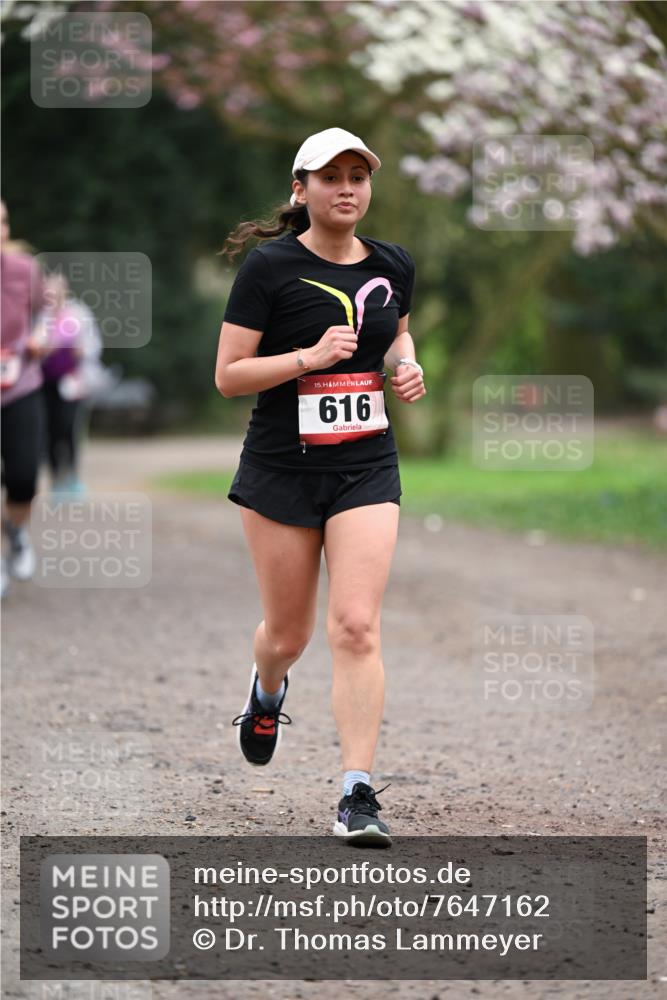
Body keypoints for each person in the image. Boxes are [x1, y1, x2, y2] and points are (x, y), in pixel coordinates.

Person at [215, 127, 426, 845]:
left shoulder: (393, 263)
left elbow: (394, 332)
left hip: (366, 464)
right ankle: (266, 689)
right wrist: (305, 357)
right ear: (299, 189)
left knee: (356, 626)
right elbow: (228, 375)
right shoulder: (268, 269)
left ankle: (356, 793)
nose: (346, 188)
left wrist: (405, 363)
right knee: (289, 633)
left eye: (357, 176)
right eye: (330, 176)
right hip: (281, 468)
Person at [0, 199, 46, 599]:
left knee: (23, 477)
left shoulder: (24, 271)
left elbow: (44, 315)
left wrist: (39, 338)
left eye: (2, 222)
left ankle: (15, 531)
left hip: (19, 384)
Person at [33, 272, 105, 495]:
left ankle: (72, 475)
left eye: (56, 291)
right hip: (44, 382)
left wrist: (81, 351)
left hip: (72, 381)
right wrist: (44, 349)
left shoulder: (78, 313)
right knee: (50, 431)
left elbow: (93, 344)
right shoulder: (38, 316)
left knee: (69, 428)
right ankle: (56, 479)